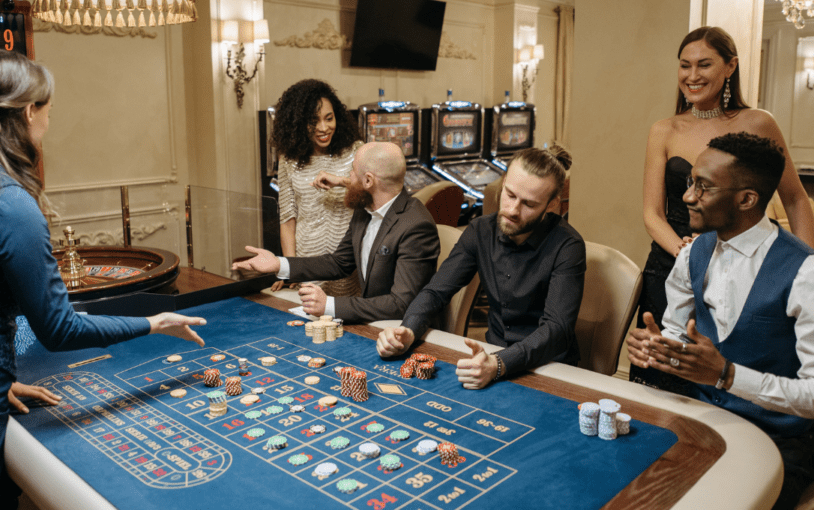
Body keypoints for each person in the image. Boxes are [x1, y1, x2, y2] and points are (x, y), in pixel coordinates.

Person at [0, 49, 207, 510]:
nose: (48, 120)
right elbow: (59, 328)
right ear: (30, 111)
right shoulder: (8, 202)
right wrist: (152, 322)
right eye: (47, 109)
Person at [626, 132, 814, 510]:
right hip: (703, 419)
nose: (687, 197)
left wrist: (729, 376)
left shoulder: (813, 275)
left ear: (747, 199)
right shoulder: (691, 253)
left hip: (781, 438)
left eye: (703, 187)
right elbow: (677, 335)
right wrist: (660, 349)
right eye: (689, 182)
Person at [633, 26, 814, 391]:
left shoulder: (758, 123)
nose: (692, 75)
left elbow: (795, 198)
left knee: (727, 376)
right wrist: (688, 255)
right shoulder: (663, 130)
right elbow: (652, 213)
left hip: (742, 266)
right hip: (671, 262)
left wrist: (809, 264)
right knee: (661, 374)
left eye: (704, 64)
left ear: (730, 66)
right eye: (684, 66)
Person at [376, 145, 584, 390]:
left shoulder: (568, 246)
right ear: (503, 182)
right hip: (491, 358)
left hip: (548, 368)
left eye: (529, 204)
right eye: (510, 194)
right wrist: (408, 329)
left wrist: (499, 364)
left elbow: (556, 329)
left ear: (552, 205)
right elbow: (436, 291)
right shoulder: (480, 230)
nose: (513, 210)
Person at [233, 142, 440, 323]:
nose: (348, 178)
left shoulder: (416, 226)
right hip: (373, 322)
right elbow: (339, 262)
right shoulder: (364, 210)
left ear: (368, 181)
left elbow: (400, 304)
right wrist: (280, 264)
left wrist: (329, 305)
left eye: (352, 171)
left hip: (402, 332)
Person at [272, 79, 364, 296]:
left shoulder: (355, 150)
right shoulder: (288, 158)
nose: (323, 128)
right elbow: (287, 219)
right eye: (313, 121)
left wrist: (340, 180)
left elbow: (375, 189)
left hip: (348, 263)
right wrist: (290, 269)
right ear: (297, 123)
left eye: (329, 118)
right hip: (308, 263)